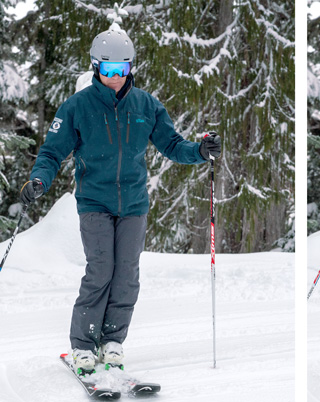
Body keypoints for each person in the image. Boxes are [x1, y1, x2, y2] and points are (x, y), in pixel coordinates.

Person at [19, 29, 223, 376]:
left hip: (133, 204)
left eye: (122, 71)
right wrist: (39, 180)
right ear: (95, 67)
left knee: (127, 274)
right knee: (101, 270)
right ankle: (84, 345)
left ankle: (112, 340)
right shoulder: (77, 107)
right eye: (108, 71)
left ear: (130, 69)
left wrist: (200, 151)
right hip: (94, 202)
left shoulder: (146, 106)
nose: (115, 79)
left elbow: (173, 145)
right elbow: (52, 153)